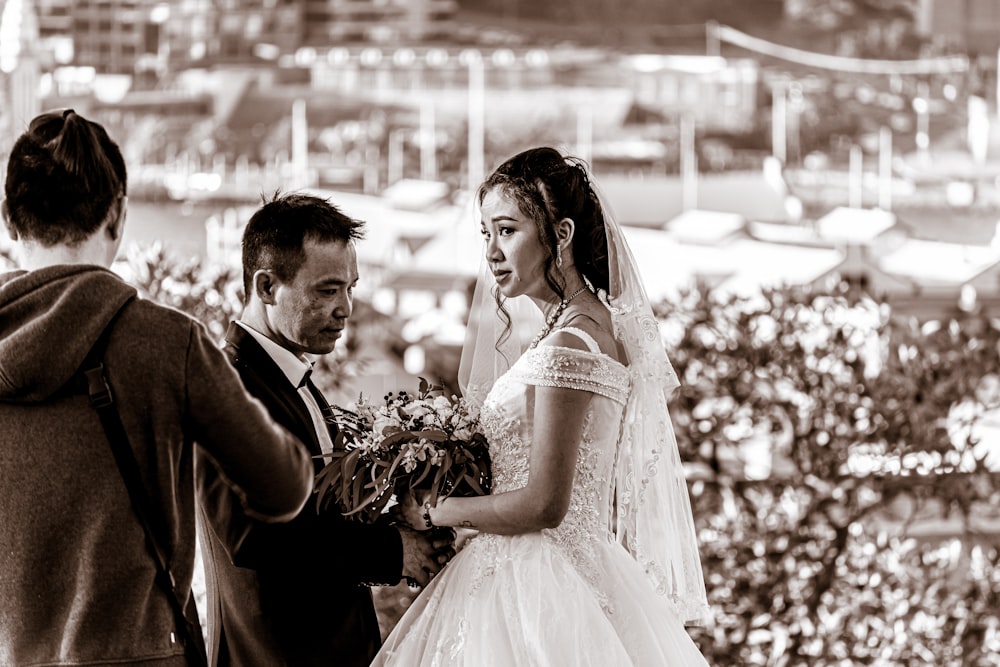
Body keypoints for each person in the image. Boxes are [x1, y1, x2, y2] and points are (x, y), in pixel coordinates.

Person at [375, 147, 712, 665]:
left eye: (507, 231)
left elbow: (544, 504)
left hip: (536, 579)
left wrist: (434, 510)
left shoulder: (569, 347)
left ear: (561, 234)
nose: (491, 251)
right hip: (566, 567)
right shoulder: (587, 331)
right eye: (485, 233)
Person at [0, 110, 314, 665]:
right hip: (142, 653)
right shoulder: (169, 342)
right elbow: (284, 487)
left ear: (8, 218)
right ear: (118, 216)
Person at [196, 192, 454, 667]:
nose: (347, 308)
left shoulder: (293, 375)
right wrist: (392, 552)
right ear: (267, 286)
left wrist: (401, 510)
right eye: (327, 290)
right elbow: (255, 537)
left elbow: (320, 514)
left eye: (350, 288)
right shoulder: (225, 385)